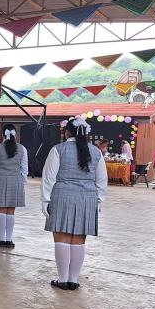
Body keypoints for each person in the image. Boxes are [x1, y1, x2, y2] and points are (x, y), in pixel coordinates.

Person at [42, 117, 107, 290]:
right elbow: (102, 181)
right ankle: (74, 280)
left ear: (67, 132)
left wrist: (45, 200)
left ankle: (62, 279)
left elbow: (49, 178)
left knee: (61, 237)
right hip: (87, 198)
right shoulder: (96, 152)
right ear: (86, 133)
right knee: (79, 239)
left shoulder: (58, 149)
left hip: (62, 196)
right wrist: (99, 201)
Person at [0, 124, 28, 248]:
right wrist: (22, 184)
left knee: (1, 210)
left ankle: (1, 238)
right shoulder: (23, 149)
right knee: (11, 211)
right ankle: (9, 239)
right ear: (16, 134)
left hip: (0, 180)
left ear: (2, 134)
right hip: (16, 181)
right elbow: (24, 169)